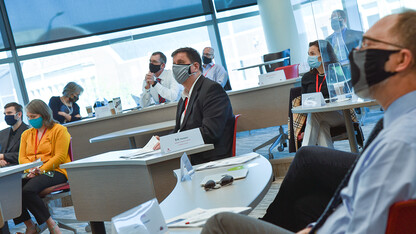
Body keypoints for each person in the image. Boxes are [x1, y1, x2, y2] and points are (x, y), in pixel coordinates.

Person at [202, 10, 416, 234]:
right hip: (328, 224)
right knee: (302, 204)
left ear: (401, 59)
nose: (356, 54)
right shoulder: (398, 124)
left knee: (220, 224)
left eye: (367, 46)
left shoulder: (399, 142)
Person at [154, 47, 235, 165]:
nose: (176, 68)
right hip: (191, 156)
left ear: (195, 66)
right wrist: (164, 140)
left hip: (209, 159)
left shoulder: (211, 90)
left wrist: (171, 142)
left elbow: (210, 133)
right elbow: (180, 130)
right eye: (174, 64)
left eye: (180, 63)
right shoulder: (185, 95)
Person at [14, 99, 71, 234]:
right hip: (32, 172)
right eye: (28, 117)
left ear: (44, 114)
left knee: (27, 190)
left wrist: (41, 169)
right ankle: (30, 225)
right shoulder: (26, 134)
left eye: (33, 117)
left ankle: (51, 224)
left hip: (55, 170)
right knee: (9, 190)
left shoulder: (59, 130)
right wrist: (31, 170)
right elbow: (22, 158)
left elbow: (60, 157)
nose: (30, 120)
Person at [299, 40, 357, 148]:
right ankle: (329, 161)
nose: (309, 58)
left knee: (315, 114)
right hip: (319, 117)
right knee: (321, 127)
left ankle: (304, 152)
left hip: (341, 115)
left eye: (312, 54)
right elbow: (304, 104)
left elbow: (346, 97)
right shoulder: (307, 78)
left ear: (323, 55)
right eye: (308, 54)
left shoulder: (336, 71)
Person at [0, 102, 28, 167]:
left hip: (21, 168)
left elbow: (27, 154)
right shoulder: (2, 133)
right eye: (5, 114)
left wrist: (4, 156)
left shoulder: (28, 131)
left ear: (19, 114)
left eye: (9, 113)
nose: (6, 116)